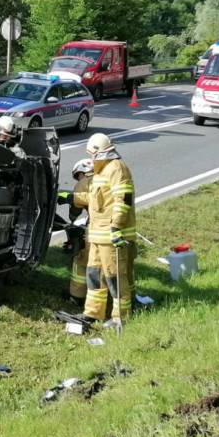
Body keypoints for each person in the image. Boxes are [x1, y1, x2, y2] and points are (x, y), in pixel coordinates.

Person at [80, 132, 136, 331]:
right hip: (97, 235)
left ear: (100, 152)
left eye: (91, 154)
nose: (90, 158)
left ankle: (121, 316)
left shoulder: (116, 169)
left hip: (112, 236)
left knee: (115, 276)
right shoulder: (99, 171)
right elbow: (95, 200)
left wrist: (117, 227)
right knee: (93, 274)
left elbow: (123, 199)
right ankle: (93, 312)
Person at [56, 158, 94, 306]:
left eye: (78, 176)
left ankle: (76, 297)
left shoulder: (84, 183)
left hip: (99, 228)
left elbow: (76, 209)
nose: (78, 179)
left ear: (82, 172)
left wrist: (71, 219)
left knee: (81, 260)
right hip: (117, 227)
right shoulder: (105, 179)